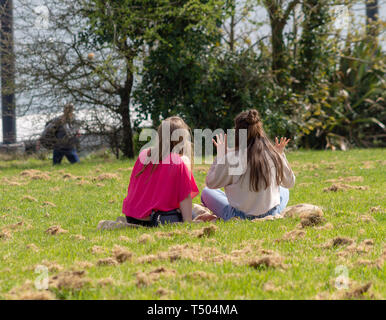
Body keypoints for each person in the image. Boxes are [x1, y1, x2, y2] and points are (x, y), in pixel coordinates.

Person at [201, 109, 295, 221]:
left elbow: (211, 183)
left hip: (239, 216)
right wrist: (280, 155)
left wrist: (221, 155)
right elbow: (290, 182)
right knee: (284, 190)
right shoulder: (273, 154)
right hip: (271, 212)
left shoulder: (231, 158)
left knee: (207, 192)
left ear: (237, 132)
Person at [121, 116, 199, 227]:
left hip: (132, 217)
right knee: (192, 213)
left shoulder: (144, 154)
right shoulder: (180, 161)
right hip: (156, 219)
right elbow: (185, 197)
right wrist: (188, 222)